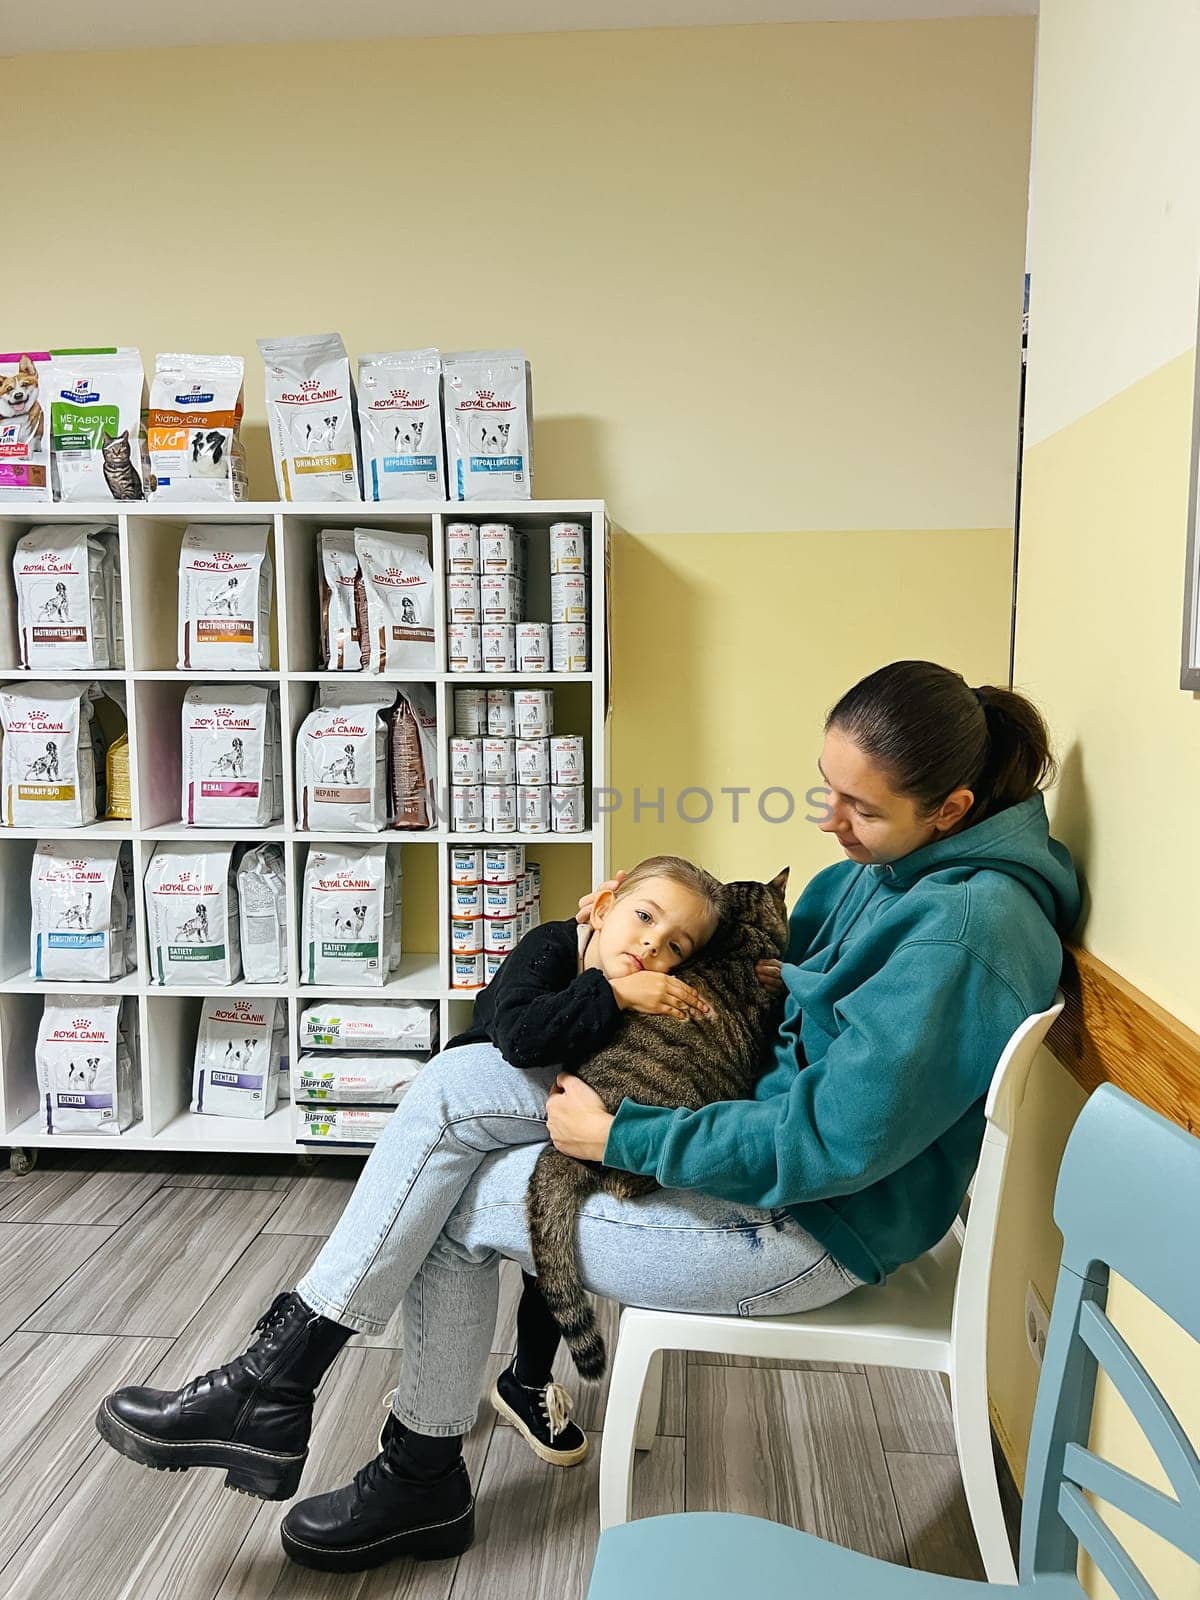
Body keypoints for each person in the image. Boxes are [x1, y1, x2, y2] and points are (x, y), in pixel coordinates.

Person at [95, 659, 1080, 1579]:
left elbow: (822, 1145)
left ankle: (349, 1428)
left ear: (951, 807)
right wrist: (621, 955)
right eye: (827, 787)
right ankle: (319, 1410)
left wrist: (623, 1138)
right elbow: (780, 992)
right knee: (452, 1097)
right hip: (736, 1130)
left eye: (858, 806)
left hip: (799, 1230)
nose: (829, 821)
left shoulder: (965, 932)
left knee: (456, 1185)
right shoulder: (896, 866)